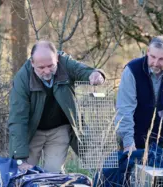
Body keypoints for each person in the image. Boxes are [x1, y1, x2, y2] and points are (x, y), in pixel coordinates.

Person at [8, 40, 105, 172]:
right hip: (32, 131)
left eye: (50, 66)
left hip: (59, 130)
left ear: (57, 59)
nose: (47, 71)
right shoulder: (22, 79)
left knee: (52, 173)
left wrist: (96, 74)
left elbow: (82, 70)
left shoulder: (65, 63)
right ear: (32, 63)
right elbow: (18, 120)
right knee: (25, 174)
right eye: (41, 68)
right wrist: (20, 159)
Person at [115, 35, 163, 155]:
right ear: (148, 52)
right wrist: (128, 143)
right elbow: (125, 109)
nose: (155, 63)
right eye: (153, 57)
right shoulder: (132, 70)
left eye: (161, 59)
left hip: (161, 134)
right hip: (133, 132)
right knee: (130, 171)